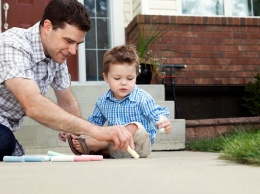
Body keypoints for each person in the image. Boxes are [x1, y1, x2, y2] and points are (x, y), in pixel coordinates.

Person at [0, 0, 134, 161]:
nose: (73, 51)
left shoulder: (56, 56)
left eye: (78, 44)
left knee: (6, 141)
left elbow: (68, 103)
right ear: (48, 27)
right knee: (5, 142)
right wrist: (97, 131)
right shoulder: (12, 45)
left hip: (4, 126)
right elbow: (32, 104)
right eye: (69, 41)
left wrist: (87, 141)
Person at [59, 44, 172, 158]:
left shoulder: (142, 98)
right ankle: (105, 149)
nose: (124, 83)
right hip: (117, 147)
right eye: (117, 78)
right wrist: (72, 129)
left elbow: (155, 113)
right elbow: (92, 124)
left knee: (135, 126)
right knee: (98, 131)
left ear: (136, 76)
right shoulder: (103, 101)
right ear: (106, 78)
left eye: (130, 78)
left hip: (138, 146)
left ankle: (98, 145)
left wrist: (162, 120)